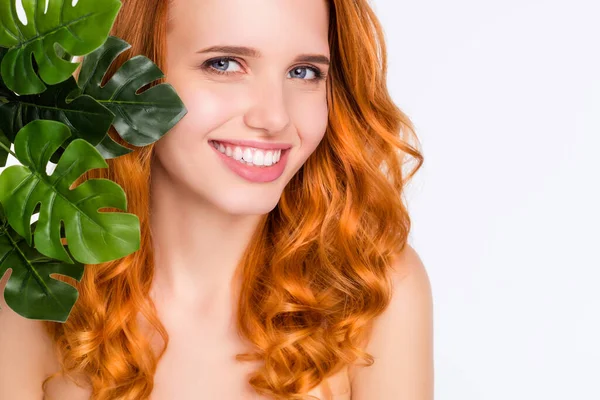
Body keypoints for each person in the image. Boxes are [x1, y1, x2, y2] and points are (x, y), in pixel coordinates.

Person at [0, 0, 433, 399]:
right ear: (126, 74)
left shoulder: (372, 286)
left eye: (303, 72)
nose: (275, 117)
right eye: (224, 64)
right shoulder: (32, 292)